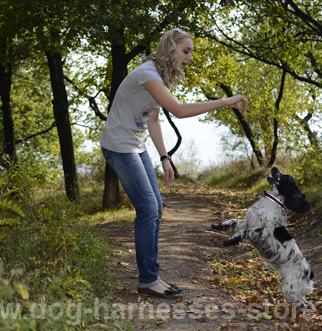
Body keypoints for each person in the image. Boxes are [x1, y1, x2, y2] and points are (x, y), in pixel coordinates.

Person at [100, 28, 247, 299]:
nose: (189, 57)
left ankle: (151, 276)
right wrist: (226, 101)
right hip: (119, 147)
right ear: (170, 49)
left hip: (136, 145)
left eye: (190, 52)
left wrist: (165, 158)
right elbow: (179, 111)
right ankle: (148, 280)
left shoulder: (158, 78)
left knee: (155, 209)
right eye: (186, 51)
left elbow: (153, 120)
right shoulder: (147, 74)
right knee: (148, 209)